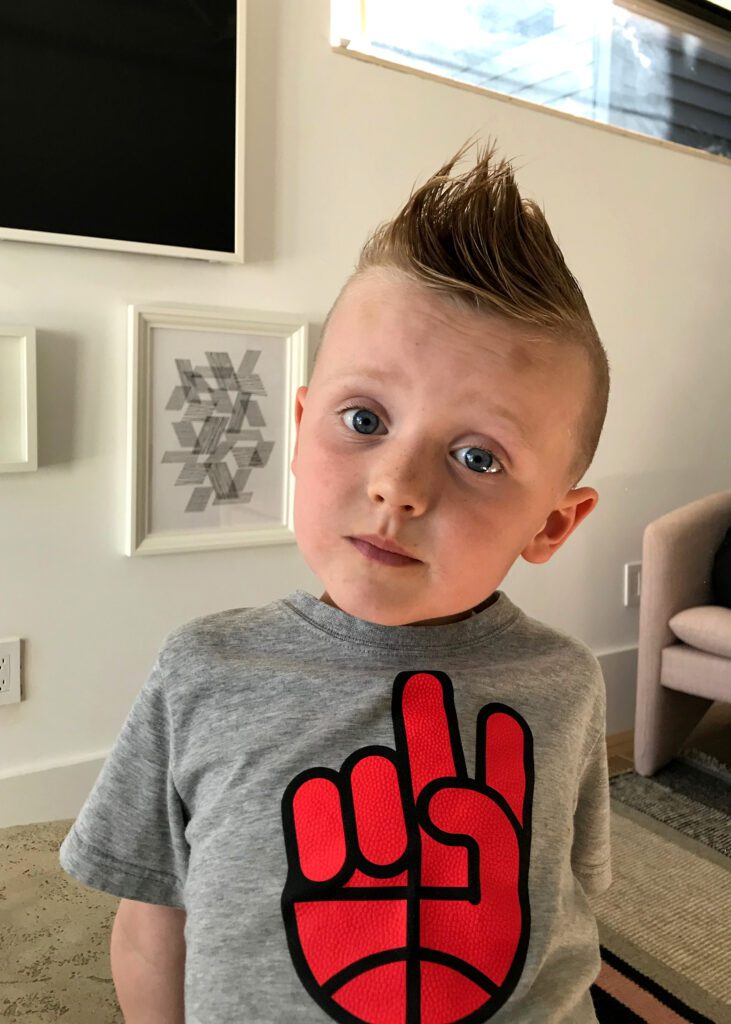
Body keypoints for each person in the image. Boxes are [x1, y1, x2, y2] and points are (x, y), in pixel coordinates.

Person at [59, 136, 613, 1023]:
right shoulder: (203, 668)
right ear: (302, 421)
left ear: (552, 522)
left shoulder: (565, 683)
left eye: (477, 456)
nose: (399, 484)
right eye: (364, 417)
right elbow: (152, 924)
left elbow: (564, 911)